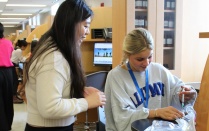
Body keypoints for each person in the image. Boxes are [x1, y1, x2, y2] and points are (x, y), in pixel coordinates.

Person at [24, 0, 106, 130]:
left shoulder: (56, 49)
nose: (88, 32)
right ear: (70, 24)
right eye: (85, 26)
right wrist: (86, 103)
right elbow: (49, 108)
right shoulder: (53, 58)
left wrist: (79, 91)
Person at [104, 28, 197, 131]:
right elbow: (121, 117)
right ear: (127, 54)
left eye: (150, 57)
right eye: (140, 59)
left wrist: (185, 94)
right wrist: (155, 113)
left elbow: (176, 90)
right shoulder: (116, 77)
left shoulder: (159, 70)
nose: (146, 63)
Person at [0, 22, 14, 131]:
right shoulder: (8, 43)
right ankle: (8, 124)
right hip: (8, 72)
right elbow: (9, 55)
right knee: (8, 99)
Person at [11, 39, 29, 104]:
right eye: (26, 46)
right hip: (12, 65)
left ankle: (15, 95)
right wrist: (28, 60)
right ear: (23, 46)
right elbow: (22, 59)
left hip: (11, 65)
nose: (26, 48)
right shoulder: (19, 50)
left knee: (15, 81)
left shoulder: (16, 49)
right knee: (15, 81)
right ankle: (14, 97)